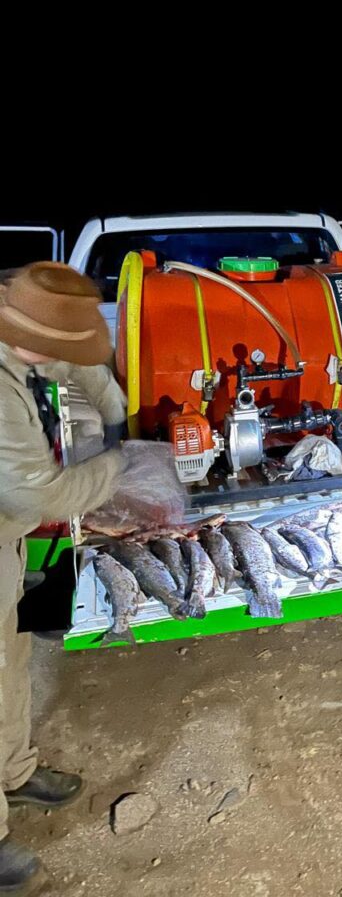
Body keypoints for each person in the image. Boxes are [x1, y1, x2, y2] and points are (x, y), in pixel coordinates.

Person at [0, 261, 127, 893]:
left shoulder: (25, 331)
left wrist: (117, 414)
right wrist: (121, 465)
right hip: (15, 508)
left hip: (6, 535)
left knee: (10, 657)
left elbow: (75, 365)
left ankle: (13, 772)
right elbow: (42, 494)